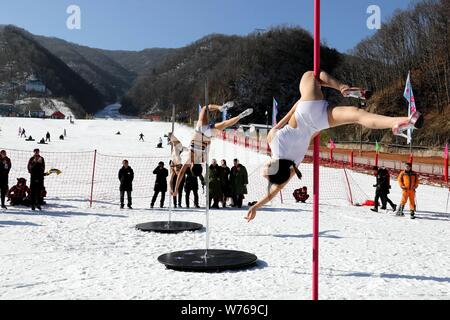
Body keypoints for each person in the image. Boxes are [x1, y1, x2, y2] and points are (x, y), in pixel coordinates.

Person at [246, 71, 424, 222]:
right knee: (312, 74)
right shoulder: (273, 140)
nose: (264, 169)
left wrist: (256, 206)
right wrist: (300, 101)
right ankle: (343, 88)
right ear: (271, 165)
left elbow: (276, 190)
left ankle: (403, 121)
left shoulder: (293, 165)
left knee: (358, 116)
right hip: (306, 109)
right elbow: (288, 116)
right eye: (265, 169)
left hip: (318, 123)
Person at [172, 102, 253, 198]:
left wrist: (209, 139)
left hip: (208, 135)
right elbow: (181, 173)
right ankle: (220, 107)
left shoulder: (204, 159)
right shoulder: (190, 159)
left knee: (225, 124)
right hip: (200, 130)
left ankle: (240, 116)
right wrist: (176, 189)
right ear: (192, 166)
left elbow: (209, 145)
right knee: (204, 109)